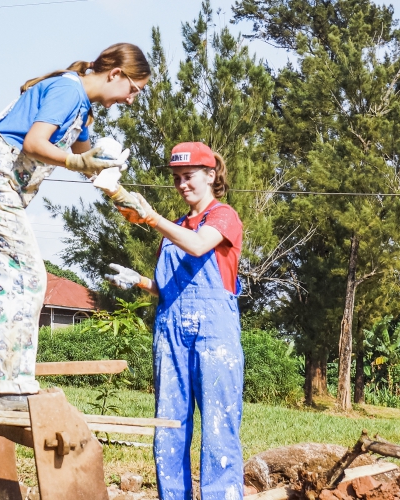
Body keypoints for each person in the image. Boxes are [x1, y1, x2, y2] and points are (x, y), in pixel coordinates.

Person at [0, 43, 150, 411]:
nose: (132, 100)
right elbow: (35, 142)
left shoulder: (83, 111)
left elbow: (93, 167)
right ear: (116, 73)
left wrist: (126, 200)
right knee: (25, 277)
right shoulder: (68, 90)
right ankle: (13, 388)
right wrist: (76, 160)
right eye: (134, 89)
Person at [105, 142, 245, 499]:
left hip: (215, 337)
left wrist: (151, 217)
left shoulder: (222, 216)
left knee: (218, 429)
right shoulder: (177, 227)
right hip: (170, 336)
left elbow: (199, 247)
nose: (183, 185)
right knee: (169, 427)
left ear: (211, 175)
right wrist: (138, 281)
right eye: (177, 178)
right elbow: (168, 290)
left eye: (189, 176)